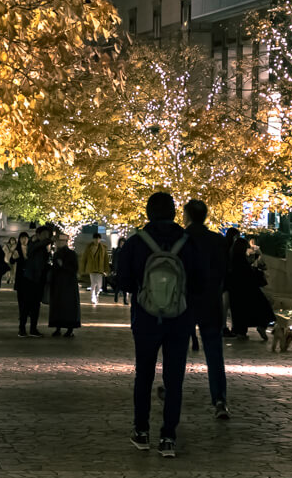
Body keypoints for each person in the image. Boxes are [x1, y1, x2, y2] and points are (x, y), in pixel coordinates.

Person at [117, 192, 201, 458]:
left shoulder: (136, 242)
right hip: (179, 318)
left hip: (145, 317)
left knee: (144, 374)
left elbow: (124, 282)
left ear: (148, 211)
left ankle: (141, 432)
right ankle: (168, 437)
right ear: (175, 212)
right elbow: (200, 282)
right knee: (174, 379)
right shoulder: (188, 243)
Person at [183, 199, 230, 419]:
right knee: (214, 352)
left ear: (187, 216)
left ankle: (172, 389)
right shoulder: (217, 241)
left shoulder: (181, 239)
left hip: (185, 302)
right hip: (211, 302)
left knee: (177, 349)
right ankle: (219, 398)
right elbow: (224, 273)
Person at [226, 237, 272, 341]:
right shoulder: (242, 260)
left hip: (236, 291)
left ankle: (241, 332)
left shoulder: (232, 259)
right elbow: (249, 275)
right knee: (264, 307)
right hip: (249, 290)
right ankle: (261, 325)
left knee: (239, 312)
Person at [18, 226, 53, 337]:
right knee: (26, 305)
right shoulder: (33, 243)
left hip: (39, 280)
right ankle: (22, 329)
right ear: (38, 235)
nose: (46, 237)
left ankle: (33, 329)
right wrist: (50, 240)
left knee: (36, 306)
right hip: (29, 279)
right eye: (44, 234)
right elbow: (34, 249)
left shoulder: (44, 247)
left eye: (48, 235)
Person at [48, 232, 82, 337]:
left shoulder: (71, 254)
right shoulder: (57, 253)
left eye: (60, 241)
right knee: (59, 306)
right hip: (59, 283)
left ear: (65, 242)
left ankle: (69, 329)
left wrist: (63, 265)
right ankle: (58, 327)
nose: (58, 243)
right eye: (57, 241)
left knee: (68, 306)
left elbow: (74, 269)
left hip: (68, 284)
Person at [79, 232, 110, 307]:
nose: (97, 240)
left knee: (99, 285)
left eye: (98, 239)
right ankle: (93, 297)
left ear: (100, 239)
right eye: (96, 239)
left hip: (100, 269)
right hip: (92, 268)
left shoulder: (103, 248)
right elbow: (84, 258)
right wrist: (82, 269)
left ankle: (96, 295)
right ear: (93, 239)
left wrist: (106, 270)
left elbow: (106, 260)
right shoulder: (89, 247)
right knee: (93, 284)